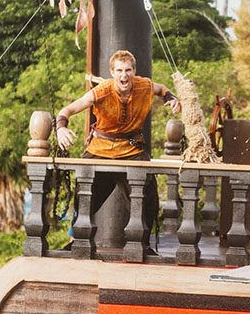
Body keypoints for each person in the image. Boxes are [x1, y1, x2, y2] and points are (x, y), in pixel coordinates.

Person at [56, 50, 181, 248]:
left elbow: (161, 89)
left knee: (147, 196)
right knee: (84, 194)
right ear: (112, 72)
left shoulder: (143, 85)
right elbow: (68, 110)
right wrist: (61, 128)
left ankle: (142, 245)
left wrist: (171, 98)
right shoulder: (101, 91)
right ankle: (77, 241)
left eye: (128, 70)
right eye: (120, 71)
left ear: (134, 71)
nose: (124, 75)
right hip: (101, 149)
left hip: (132, 150)